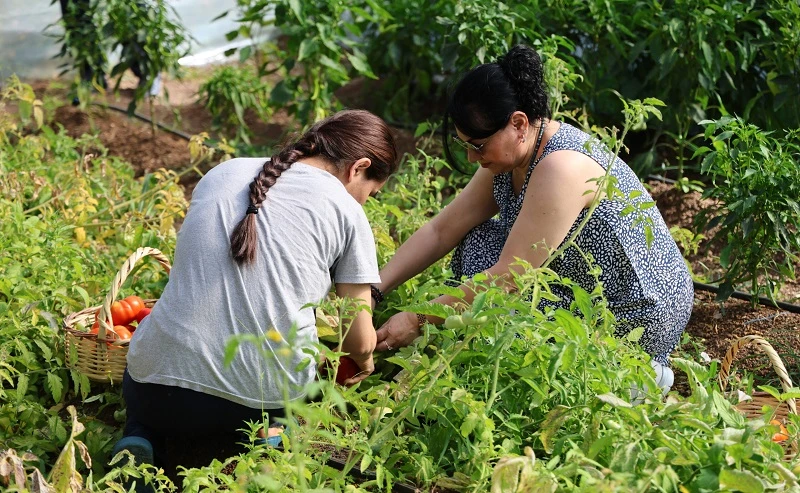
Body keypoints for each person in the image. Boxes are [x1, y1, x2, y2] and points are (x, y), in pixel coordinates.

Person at [371, 45, 693, 394]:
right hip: (578, 283)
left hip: (633, 311)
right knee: (478, 240)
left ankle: (637, 375)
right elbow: (441, 229)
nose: (470, 156)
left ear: (518, 123)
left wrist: (419, 319)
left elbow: (511, 276)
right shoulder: (514, 156)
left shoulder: (561, 166)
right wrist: (373, 288)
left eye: (477, 145)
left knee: (505, 310)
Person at [111, 109, 399, 490]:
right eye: (371, 194)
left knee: (149, 413)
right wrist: (364, 361)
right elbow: (357, 338)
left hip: (151, 388)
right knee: (295, 400)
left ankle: (140, 438)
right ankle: (266, 450)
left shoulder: (224, 171)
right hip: (252, 405)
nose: (366, 203)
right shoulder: (347, 210)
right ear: (358, 168)